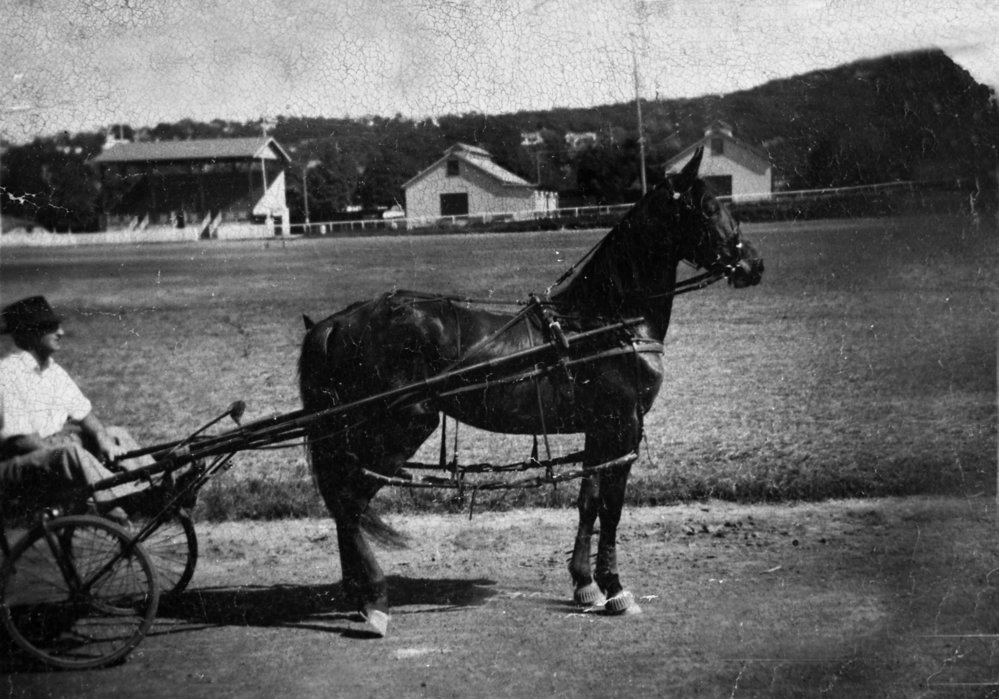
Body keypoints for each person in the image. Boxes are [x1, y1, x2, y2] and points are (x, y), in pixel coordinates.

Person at [0, 296, 150, 522]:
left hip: (49, 450)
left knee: (116, 433)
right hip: (17, 464)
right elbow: (20, 441)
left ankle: (155, 486)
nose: (60, 332)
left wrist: (103, 438)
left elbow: (84, 413)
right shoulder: (8, 374)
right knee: (70, 452)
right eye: (51, 327)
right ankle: (127, 498)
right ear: (29, 333)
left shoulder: (52, 370)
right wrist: (67, 450)